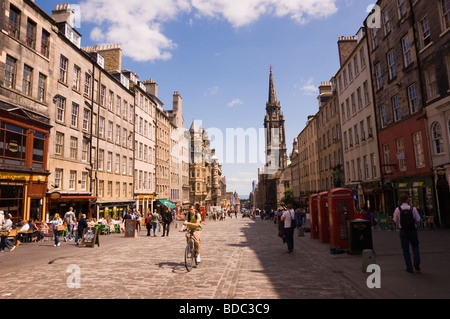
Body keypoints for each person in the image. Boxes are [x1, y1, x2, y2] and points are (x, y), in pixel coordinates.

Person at [393, 194, 422, 273]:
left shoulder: (397, 209)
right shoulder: (413, 209)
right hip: (412, 230)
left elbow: (395, 220)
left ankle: (409, 267)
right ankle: (416, 262)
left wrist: (399, 225)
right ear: (407, 200)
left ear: (400, 201)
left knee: (405, 249)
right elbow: (418, 219)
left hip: (403, 230)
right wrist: (416, 225)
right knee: (415, 246)